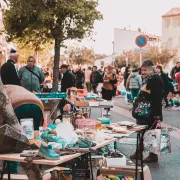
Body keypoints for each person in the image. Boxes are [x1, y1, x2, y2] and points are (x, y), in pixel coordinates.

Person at [130, 60, 164, 163]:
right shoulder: (149, 78)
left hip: (152, 111)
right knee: (144, 131)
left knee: (151, 132)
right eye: (142, 70)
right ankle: (139, 152)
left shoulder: (155, 79)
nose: (143, 72)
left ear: (152, 69)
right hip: (147, 110)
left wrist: (157, 115)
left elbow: (157, 98)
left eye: (145, 70)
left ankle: (152, 155)